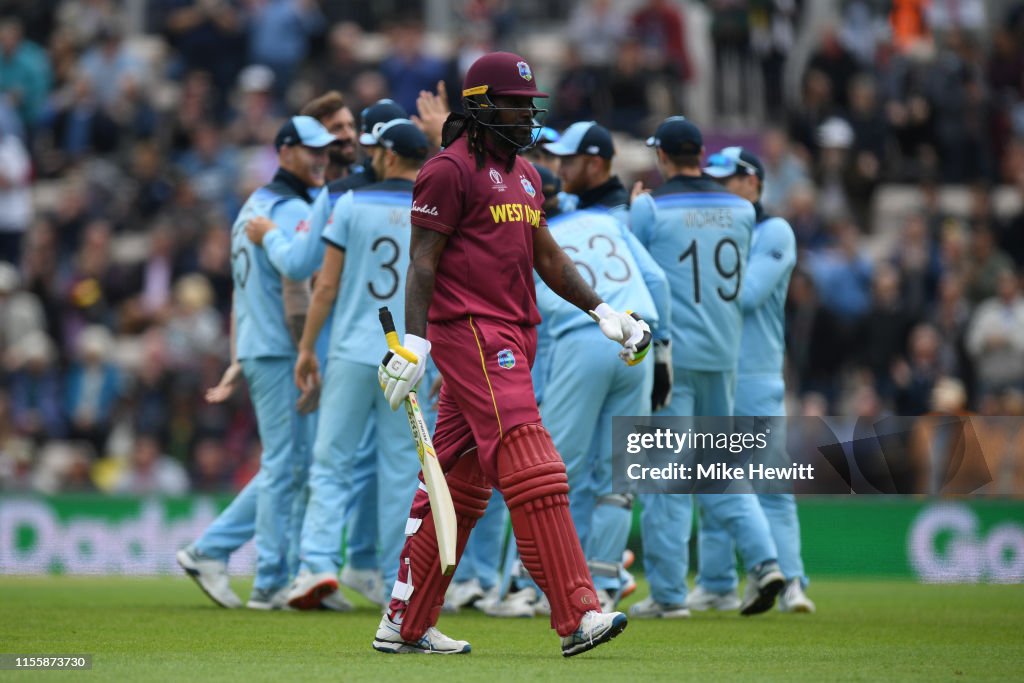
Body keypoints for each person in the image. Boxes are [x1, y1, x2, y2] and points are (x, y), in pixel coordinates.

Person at [373, 51, 651, 657]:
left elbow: (546, 256)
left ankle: (405, 621)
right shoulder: (447, 171)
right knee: (535, 466)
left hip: (515, 335)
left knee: (456, 486)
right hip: (472, 333)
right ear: (478, 107)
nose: (526, 115)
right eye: (515, 104)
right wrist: (414, 343)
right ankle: (579, 614)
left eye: (530, 104)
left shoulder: (525, 175)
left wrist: (605, 312)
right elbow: (422, 262)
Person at [176, 116, 333, 610]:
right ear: (284, 151)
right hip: (283, 348)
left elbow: (245, 295)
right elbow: (295, 284)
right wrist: (304, 352)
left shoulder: (256, 204)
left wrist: (238, 357)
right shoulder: (286, 210)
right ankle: (264, 575)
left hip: (263, 347)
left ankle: (222, 552)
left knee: (291, 465)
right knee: (287, 465)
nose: (322, 159)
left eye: (325, 151)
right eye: (312, 150)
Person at [629, 117, 784, 619]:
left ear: (662, 157)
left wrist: (634, 209)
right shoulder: (741, 210)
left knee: (664, 480)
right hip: (725, 355)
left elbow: (639, 272)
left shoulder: (650, 208)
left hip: (673, 358)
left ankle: (670, 595)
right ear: (699, 154)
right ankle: (764, 561)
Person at [277, 120, 430, 609]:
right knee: (402, 473)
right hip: (408, 356)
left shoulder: (348, 203)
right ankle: (394, 580)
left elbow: (325, 285)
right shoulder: (431, 209)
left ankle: (316, 565)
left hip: (349, 350)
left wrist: (306, 347)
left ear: (384, 156)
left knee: (332, 463)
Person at [536, 120, 670, 612]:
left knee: (549, 471)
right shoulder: (610, 221)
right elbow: (656, 280)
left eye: (568, 159)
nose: (563, 168)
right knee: (619, 475)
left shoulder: (535, 236)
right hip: (638, 334)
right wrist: (664, 350)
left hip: (581, 337)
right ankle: (606, 582)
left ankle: (532, 585)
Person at [687, 147, 815, 614]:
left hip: (756, 374)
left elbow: (749, 293)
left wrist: (692, 280)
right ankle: (717, 582)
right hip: (718, 368)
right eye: (714, 180)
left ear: (754, 183)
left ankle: (794, 582)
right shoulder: (715, 232)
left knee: (770, 484)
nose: (719, 188)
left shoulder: (774, 229)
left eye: (729, 179)